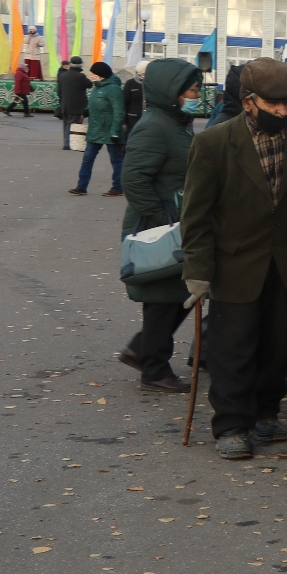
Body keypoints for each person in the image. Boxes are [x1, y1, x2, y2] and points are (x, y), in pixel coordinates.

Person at [180, 58, 287, 460]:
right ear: (249, 102)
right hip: (234, 264)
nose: (286, 111)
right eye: (276, 105)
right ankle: (232, 424)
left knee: (280, 348)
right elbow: (196, 216)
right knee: (232, 349)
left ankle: (267, 411)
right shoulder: (213, 143)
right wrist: (197, 272)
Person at [118, 58, 205, 392]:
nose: (197, 95)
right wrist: (163, 219)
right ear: (172, 92)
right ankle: (153, 367)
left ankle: (141, 351)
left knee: (178, 294)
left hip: (174, 223)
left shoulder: (175, 121)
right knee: (162, 299)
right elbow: (134, 179)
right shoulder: (154, 125)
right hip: (157, 229)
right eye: (192, 90)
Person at [70, 62, 126, 196]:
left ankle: (117, 187)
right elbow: (95, 104)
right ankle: (81, 186)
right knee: (87, 158)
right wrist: (86, 111)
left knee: (116, 159)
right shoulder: (97, 88)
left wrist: (115, 131)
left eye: (93, 74)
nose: (91, 76)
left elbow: (119, 111)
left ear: (101, 75)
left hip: (110, 130)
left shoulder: (113, 89)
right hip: (96, 129)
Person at [57, 56, 91, 150]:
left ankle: (66, 142)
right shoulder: (80, 76)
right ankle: (68, 144)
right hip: (77, 105)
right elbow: (89, 84)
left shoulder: (62, 75)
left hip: (65, 104)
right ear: (80, 65)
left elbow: (59, 91)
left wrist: (61, 101)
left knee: (66, 124)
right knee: (73, 124)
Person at [121, 60, 147, 134]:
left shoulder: (153, 84)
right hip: (133, 120)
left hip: (149, 120)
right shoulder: (130, 83)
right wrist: (124, 121)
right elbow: (124, 103)